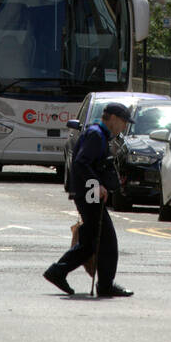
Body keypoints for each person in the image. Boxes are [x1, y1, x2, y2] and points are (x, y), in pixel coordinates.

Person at [44, 102, 134, 298]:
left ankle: (58, 271)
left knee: (92, 242)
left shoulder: (100, 135)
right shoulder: (95, 134)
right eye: (124, 122)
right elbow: (81, 163)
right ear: (114, 119)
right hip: (88, 194)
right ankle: (104, 285)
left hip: (88, 193)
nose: (124, 127)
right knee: (107, 241)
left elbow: (92, 165)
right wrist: (97, 185)